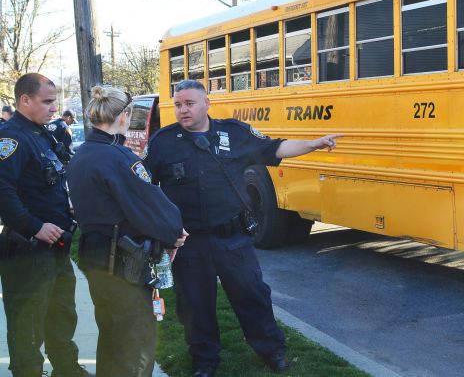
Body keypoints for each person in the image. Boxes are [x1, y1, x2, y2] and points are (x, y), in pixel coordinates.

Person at [144, 80, 342, 376]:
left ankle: (272, 351)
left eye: (189, 103)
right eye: (178, 104)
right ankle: (205, 360)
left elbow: (275, 148)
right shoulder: (163, 141)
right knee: (195, 305)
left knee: (252, 295)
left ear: (206, 103)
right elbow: (148, 187)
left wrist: (313, 144)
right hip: (189, 243)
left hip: (232, 238)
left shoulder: (233, 133)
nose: (183, 110)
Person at [67, 85, 189, 377]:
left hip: (95, 258)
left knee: (110, 336)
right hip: (123, 261)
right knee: (136, 343)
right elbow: (150, 203)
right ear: (124, 115)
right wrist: (175, 232)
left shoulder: (81, 154)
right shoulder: (119, 157)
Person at [0, 73, 91, 377]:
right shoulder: (11, 138)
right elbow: (2, 190)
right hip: (28, 251)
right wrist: (33, 226)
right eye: (48, 101)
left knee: (61, 315)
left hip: (55, 246)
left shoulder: (41, 134)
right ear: (25, 100)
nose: (55, 108)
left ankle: (67, 369)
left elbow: (48, 181)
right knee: (28, 325)